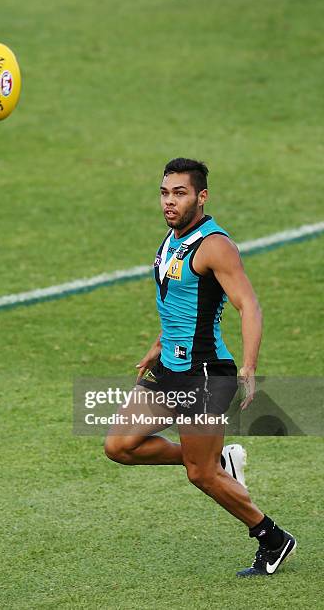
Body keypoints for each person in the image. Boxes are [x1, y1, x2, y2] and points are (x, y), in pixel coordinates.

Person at [104, 158, 296, 577]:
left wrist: (249, 366)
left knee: (200, 476)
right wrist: (159, 343)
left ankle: (272, 538)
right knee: (119, 446)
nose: (169, 202)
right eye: (164, 193)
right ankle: (217, 461)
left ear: (201, 196)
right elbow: (178, 300)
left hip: (206, 375)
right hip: (171, 368)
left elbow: (249, 305)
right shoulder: (173, 238)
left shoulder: (215, 245)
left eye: (180, 193)